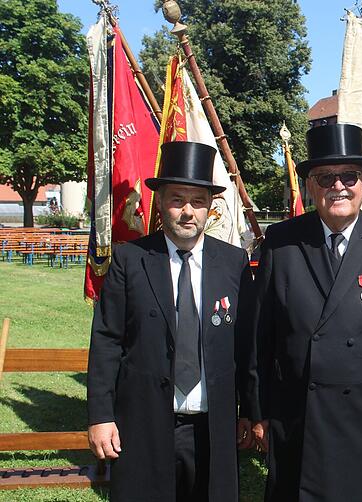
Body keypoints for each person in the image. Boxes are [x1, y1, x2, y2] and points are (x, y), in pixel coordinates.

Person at [250, 123, 362, 502]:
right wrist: (259, 409)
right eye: (325, 178)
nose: (338, 186)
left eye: (349, 176)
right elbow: (261, 335)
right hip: (298, 413)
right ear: (310, 187)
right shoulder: (281, 242)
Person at [86, 141, 258, 501]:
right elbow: (107, 341)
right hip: (145, 422)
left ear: (210, 207)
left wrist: (251, 410)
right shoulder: (130, 260)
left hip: (213, 427)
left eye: (197, 201)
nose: (187, 211)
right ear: (160, 203)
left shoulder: (233, 264)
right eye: (177, 199)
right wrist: (101, 415)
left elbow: (247, 346)